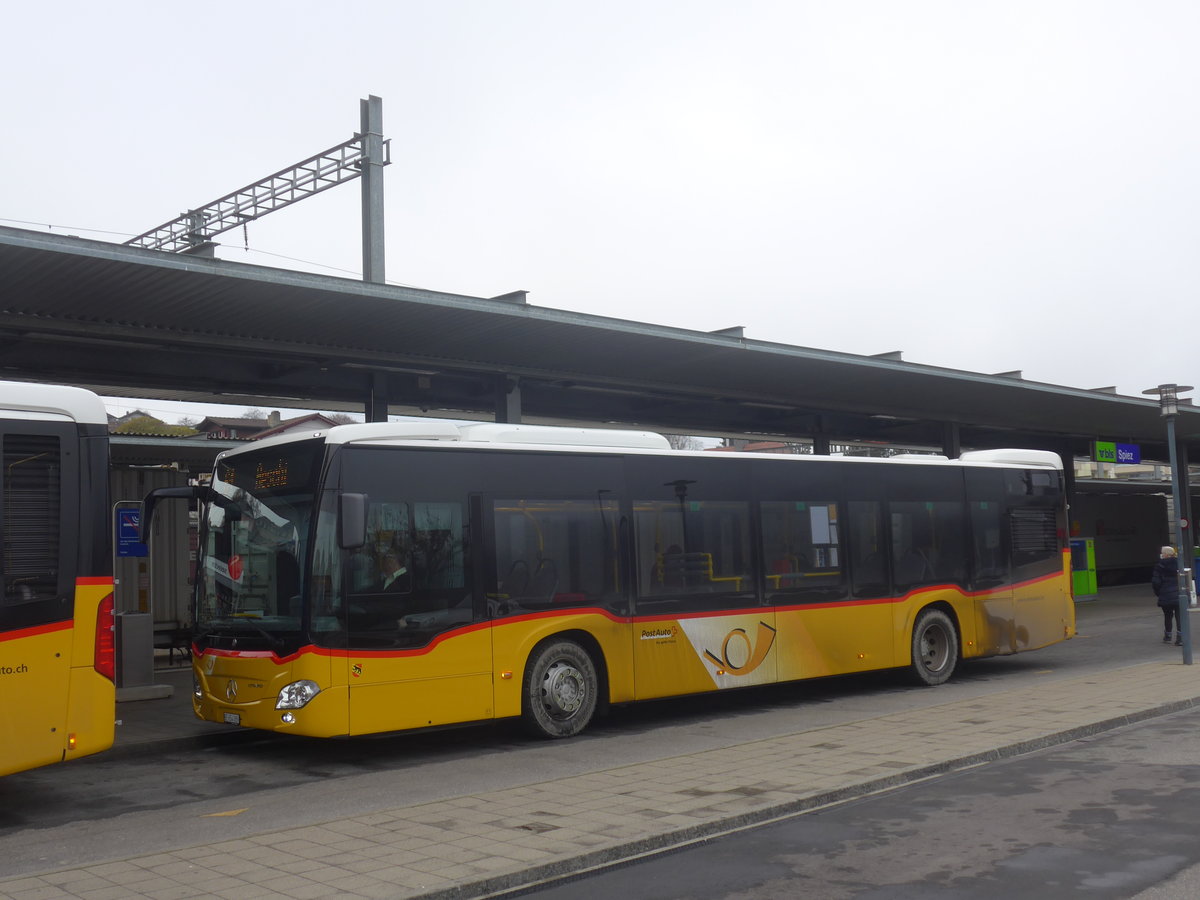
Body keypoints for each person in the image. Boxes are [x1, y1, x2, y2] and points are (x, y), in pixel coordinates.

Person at [1152, 545, 1182, 645]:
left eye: (1162, 553)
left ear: (1165, 554)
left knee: (1168, 615)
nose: (1161, 555)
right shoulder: (1180, 563)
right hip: (1179, 593)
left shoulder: (1160, 566)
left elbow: (1155, 582)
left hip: (1165, 594)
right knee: (1179, 616)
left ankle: (1168, 636)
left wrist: (1159, 592)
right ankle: (1180, 638)